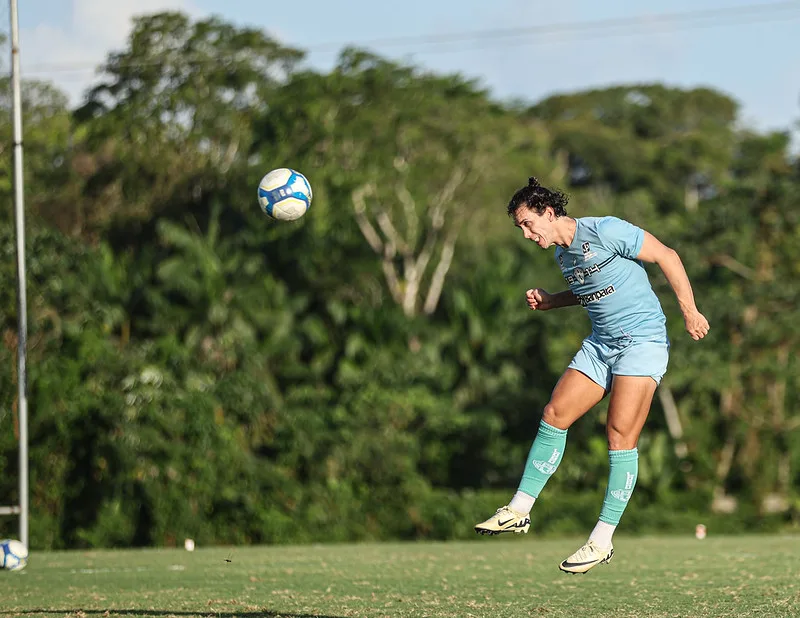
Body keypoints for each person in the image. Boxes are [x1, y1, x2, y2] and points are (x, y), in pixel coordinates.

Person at [474, 177, 709, 574]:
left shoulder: (606, 230)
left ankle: (601, 540)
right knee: (555, 413)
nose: (528, 234)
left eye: (529, 224)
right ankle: (519, 509)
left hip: (642, 342)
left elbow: (667, 255)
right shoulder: (563, 258)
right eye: (522, 229)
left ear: (549, 213)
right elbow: (591, 291)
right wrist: (553, 301)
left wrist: (689, 310)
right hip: (602, 343)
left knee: (619, 435)